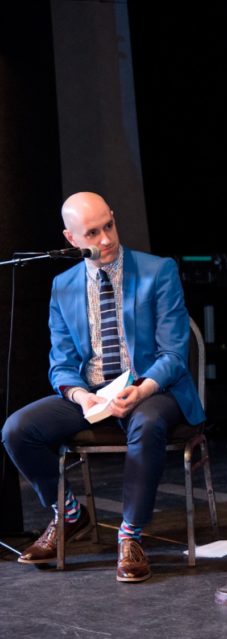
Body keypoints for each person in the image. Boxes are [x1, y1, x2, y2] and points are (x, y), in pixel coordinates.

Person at [2, 191, 204, 582]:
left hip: (153, 390)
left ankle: (130, 535)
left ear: (114, 217)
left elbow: (175, 354)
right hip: (93, 393)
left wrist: (142, 389)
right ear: (71, 239)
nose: (106, 240)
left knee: (146, 424)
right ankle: (70, 513)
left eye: (108, 226)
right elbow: (60, 362)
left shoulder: (158, 271)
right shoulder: (63, 285)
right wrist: (81, 395)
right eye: (92, 233)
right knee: (16, 430)